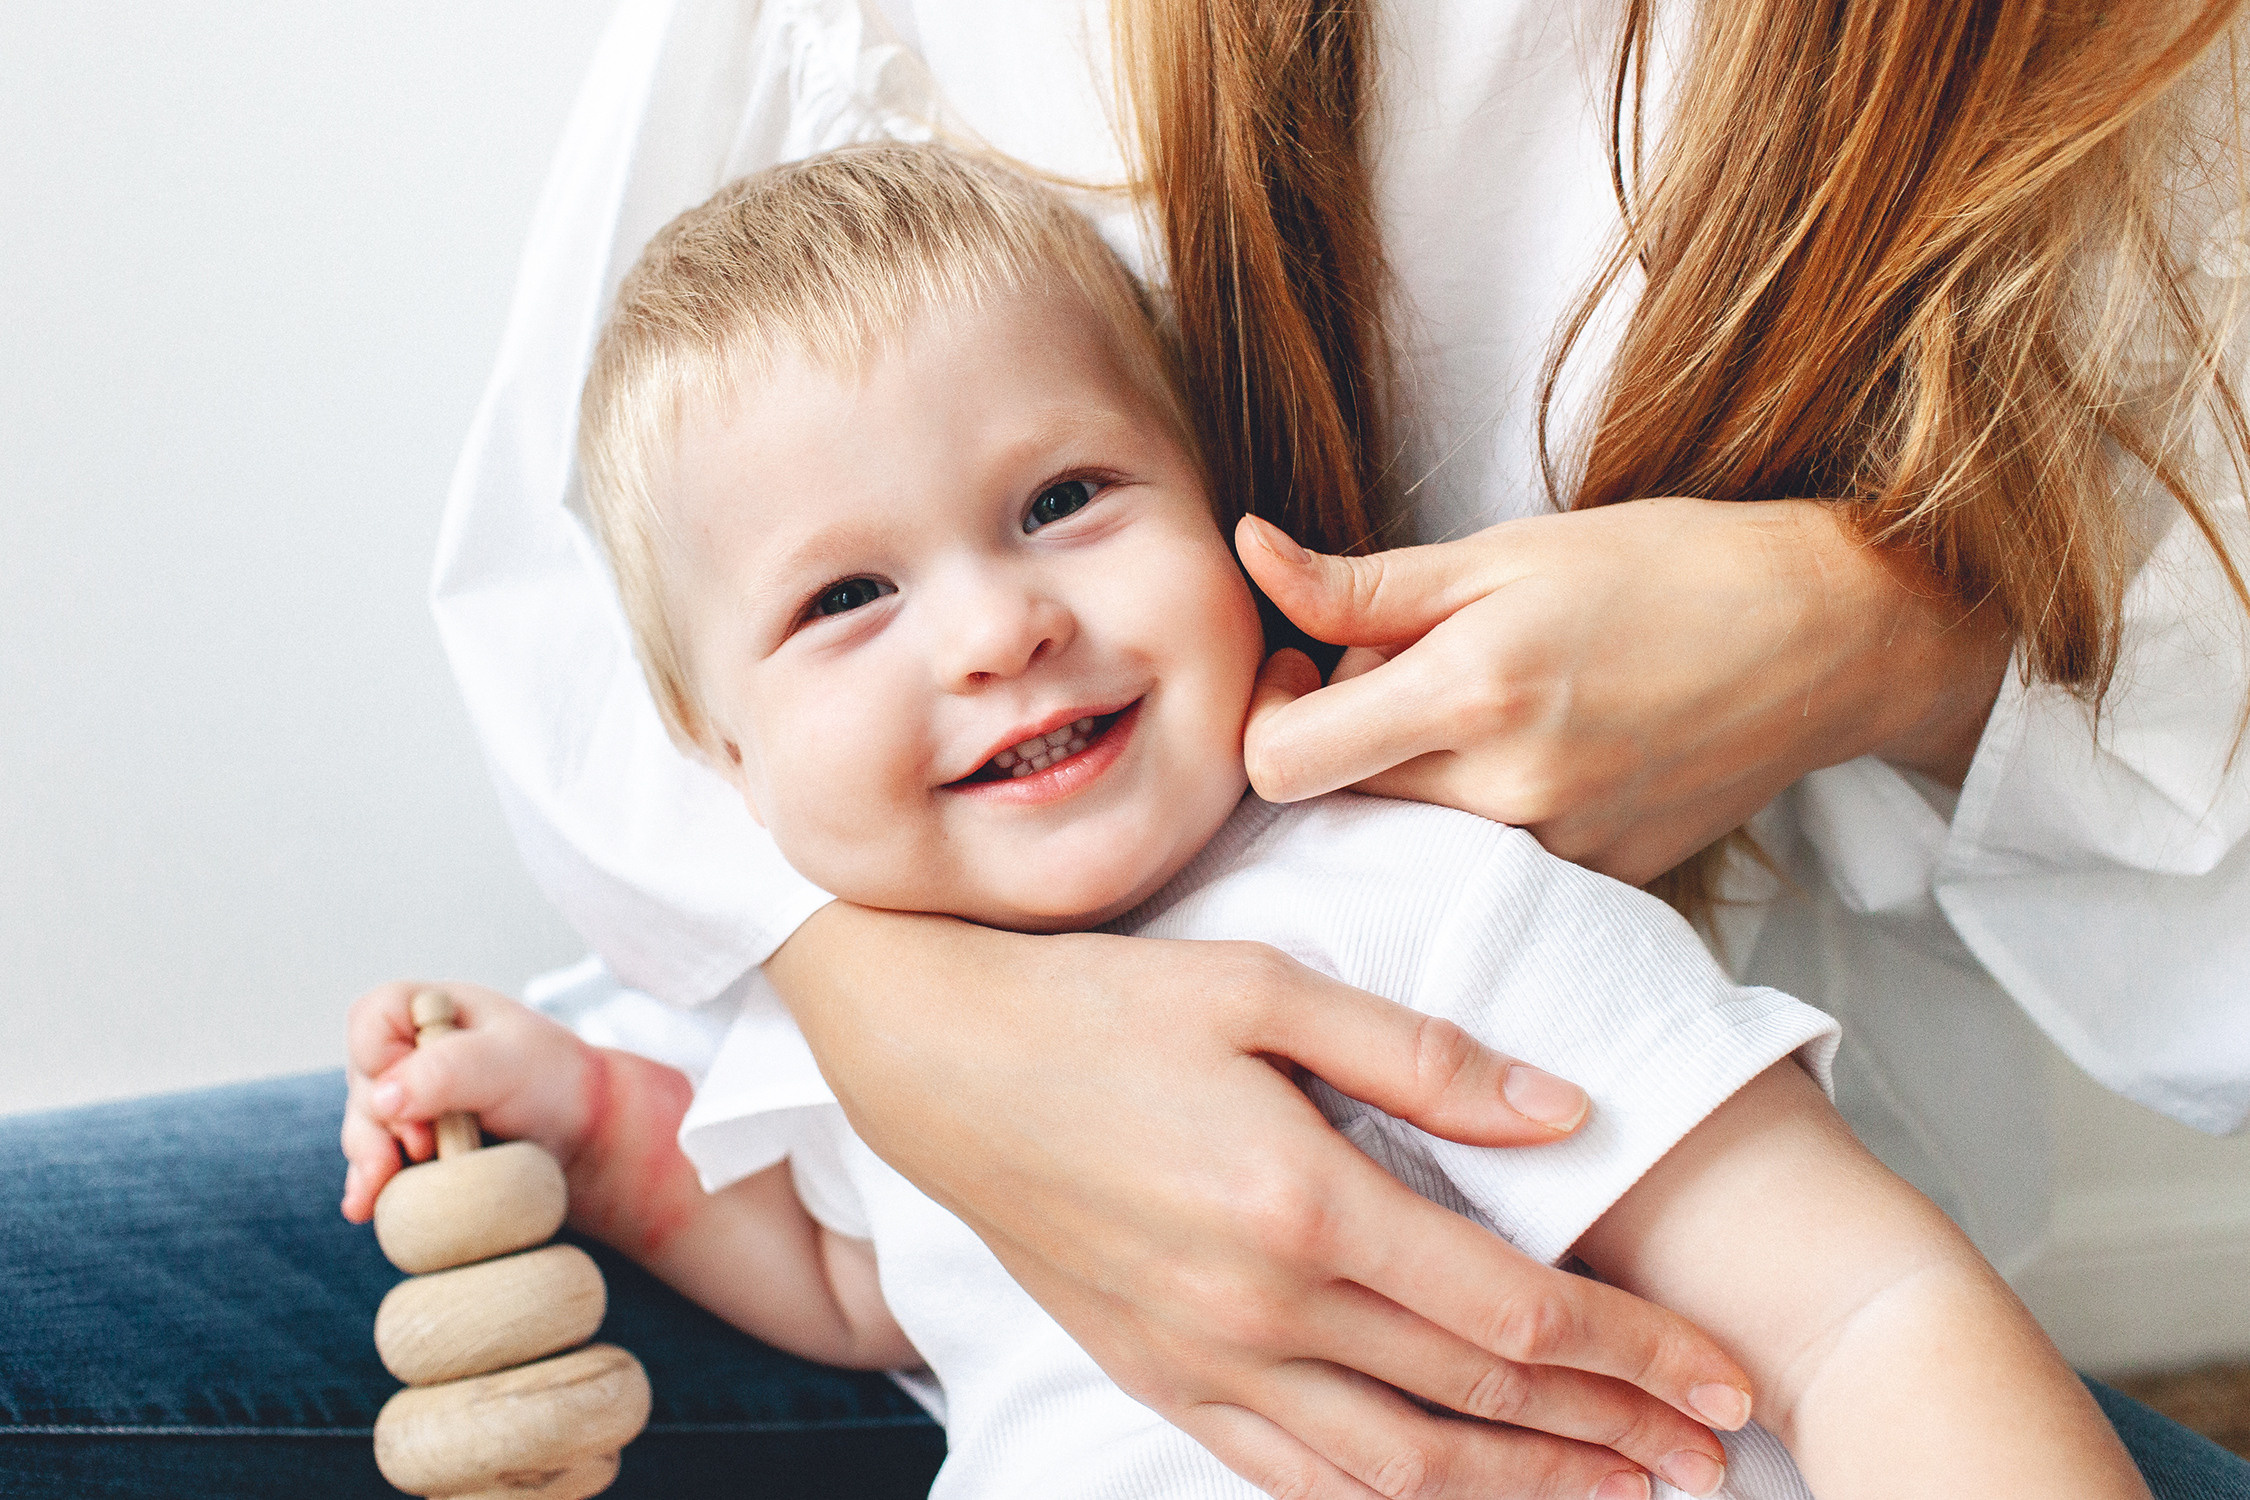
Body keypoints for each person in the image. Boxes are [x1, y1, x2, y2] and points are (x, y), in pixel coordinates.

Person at [3, 1, 2246, 1497]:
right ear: (713, 738)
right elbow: (879, 1291)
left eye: (1067, 501)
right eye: (848, 600)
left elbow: (1862, 1313)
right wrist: (603, 1120)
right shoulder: (851, 978)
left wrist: (1897, 626)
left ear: (1229, 505)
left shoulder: (1421, 912)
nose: (999, 627)